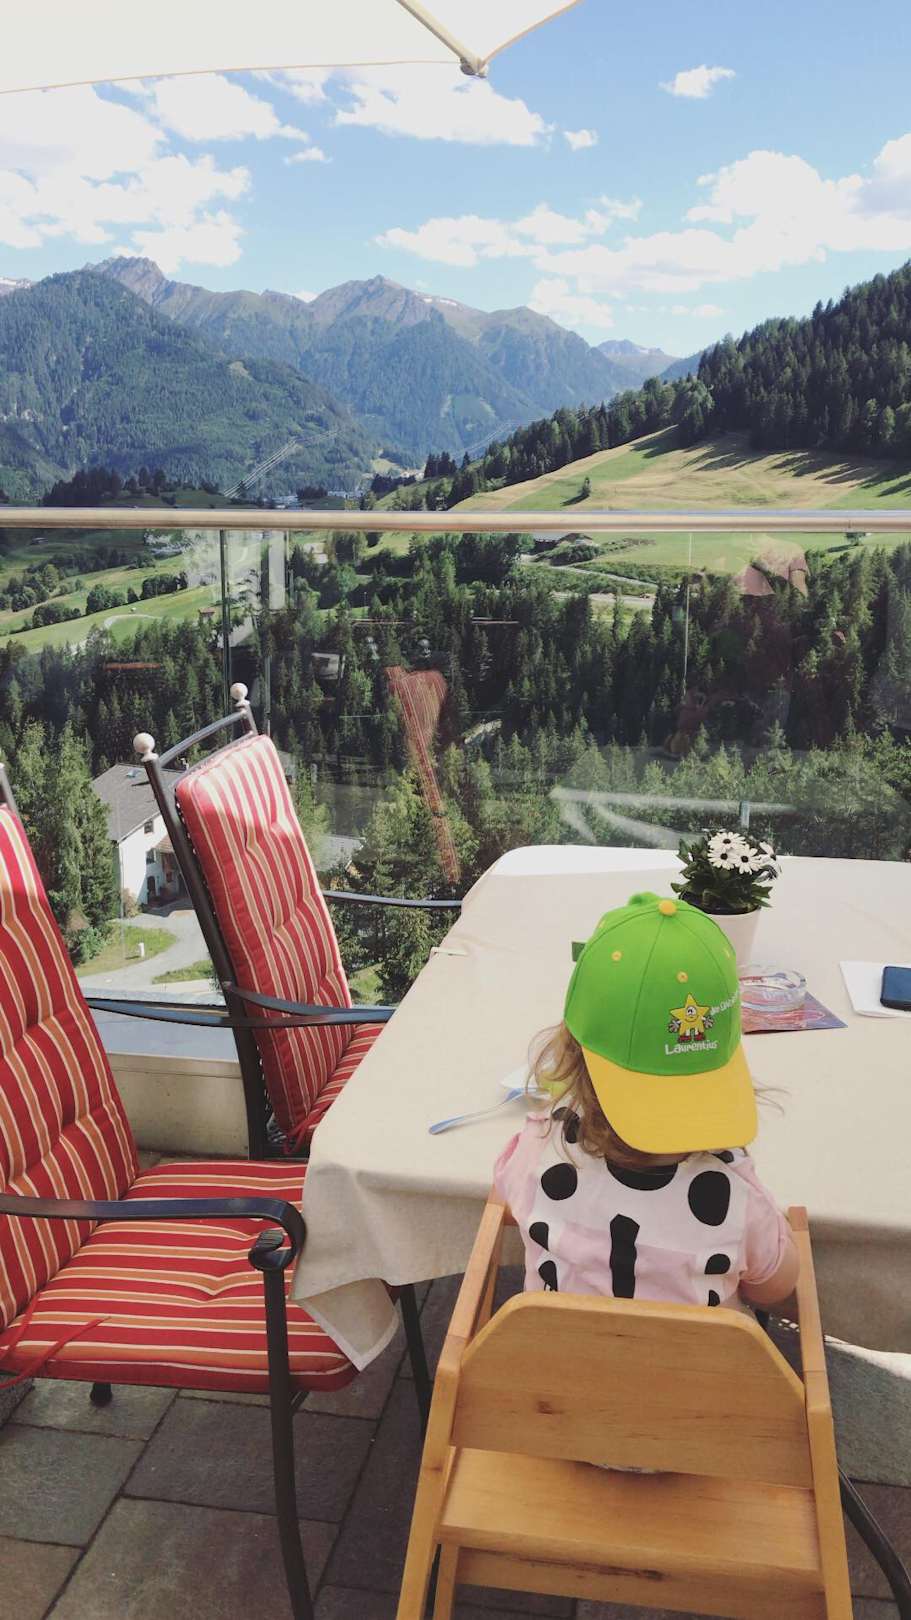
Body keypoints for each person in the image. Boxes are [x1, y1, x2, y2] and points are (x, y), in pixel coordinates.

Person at [494, 891, 799, 1314]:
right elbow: (776, 1287)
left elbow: (507, 1194)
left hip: (554, 1354)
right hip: (695, 1359)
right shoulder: (736, 1193)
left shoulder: (539, 1146)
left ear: (571, 1049)